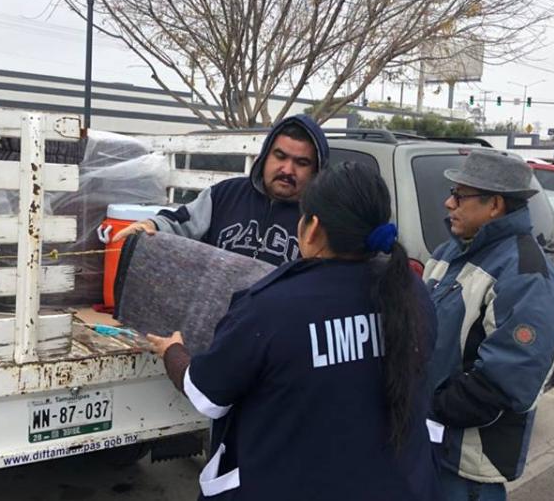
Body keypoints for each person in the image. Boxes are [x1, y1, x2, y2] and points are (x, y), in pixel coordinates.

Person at [146, 162, 440, 500]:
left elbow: (207, 395)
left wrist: (174, 351)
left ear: (312, 227)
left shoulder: (273, 307)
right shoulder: (412, 293)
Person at [422, 151, 554, 500]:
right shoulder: (449, 254)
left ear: (495, 205)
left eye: (460, 195)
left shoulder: (525, 275)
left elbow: (508, 381)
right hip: (430, 448)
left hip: (469, 464)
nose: (448, 202)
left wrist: (427, 406)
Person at [112, 115, 329, 266]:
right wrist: (149, 225)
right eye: (280, 156)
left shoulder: (320, 218)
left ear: (315, 169)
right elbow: (179, 223)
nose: (287, 170)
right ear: (265, 156)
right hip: (217, 322)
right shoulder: (225, 194)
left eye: (301, 162)